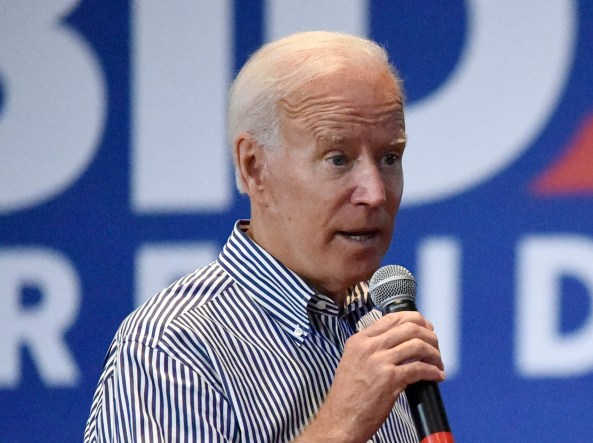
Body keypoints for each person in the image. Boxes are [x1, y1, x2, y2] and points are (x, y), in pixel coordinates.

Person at [83, 31, 445, 442]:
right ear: (253, 166)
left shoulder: (374, 326)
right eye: (338, 159)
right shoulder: (172, 346)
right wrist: (340, 426)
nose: (376, 192)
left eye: (390, 157)